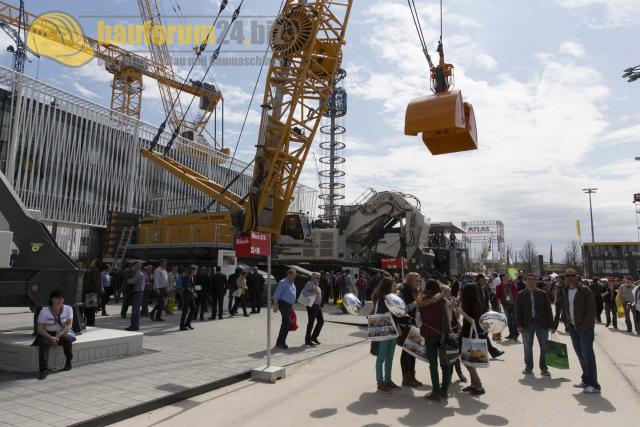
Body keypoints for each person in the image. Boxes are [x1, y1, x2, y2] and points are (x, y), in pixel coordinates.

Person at [553, 268, 600, 393]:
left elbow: (591, 311)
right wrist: (566, 322)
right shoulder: (566, 290)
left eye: (571, 275)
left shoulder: (585, 290)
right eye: (566, 275)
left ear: (576, 277)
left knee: (588, 356)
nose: (569, 277)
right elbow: (564, 307)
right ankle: (586, 380)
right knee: (580, 355)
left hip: (584, 329)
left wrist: (584, 325)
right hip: (573, 328)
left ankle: (594, 385)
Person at [417, 279, 453, 402]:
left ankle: (435, 391)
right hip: (444, 335)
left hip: (429, 335)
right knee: (445, 364)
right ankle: (444, 391)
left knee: (433, 364)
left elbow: (418, 320)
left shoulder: (422, 301)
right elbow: (449, 318)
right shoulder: (444, 301)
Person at [516, 273, 553, 376]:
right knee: (527, 347)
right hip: (527, 325)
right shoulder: (520, 294)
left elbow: (548, 310)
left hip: (542, 324)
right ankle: (529, 367)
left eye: (532, 279)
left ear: (535, 281)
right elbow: (518, 311)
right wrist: (519, 324)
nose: (530, 281)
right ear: (525, 281)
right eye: (528, 279)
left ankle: (544, 368)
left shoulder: (543, 293)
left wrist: (551, 324)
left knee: (544, 347)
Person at [35, 290, 74, 380]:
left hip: (61, 332)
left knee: (67, 340)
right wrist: (50, 337)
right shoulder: (44, 311)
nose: (60, 299)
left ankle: (68, 362)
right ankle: (44, 369)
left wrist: (57, 337)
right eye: (57, 298)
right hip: (46, 333)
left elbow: (69, 325)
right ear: (52, 299)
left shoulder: (68, 309)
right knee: (44, 344)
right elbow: (40, 329)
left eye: (62, 297)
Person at [459, 275, 485, 395]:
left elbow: (472, 320)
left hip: (469, 332)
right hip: (470, 331)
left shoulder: (471, 305)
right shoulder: (477, 302)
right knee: (468, 359)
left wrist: (460, 312)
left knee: (467, 359)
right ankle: (474, 383)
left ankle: (478, 385)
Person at [372, 277, 398, 393]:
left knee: (390, 357)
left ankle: (388, 380)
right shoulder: (381, 298)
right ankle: (380, 382)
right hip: (383, 327)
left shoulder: (393, 297)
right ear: (387, 286)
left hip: (392, 328)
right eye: (393, 285)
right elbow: (381, 312)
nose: (395, 287)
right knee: (381, 357)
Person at [397, 272, 422, 387]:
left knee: (413, 352)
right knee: (406, 352)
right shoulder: (401, 291)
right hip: (405, 325)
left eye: (419, 280)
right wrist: (414, 303)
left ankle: (412, 376)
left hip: (414, 325)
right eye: (416, 280)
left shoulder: (415, 291)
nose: (418, 283)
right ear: (409, 281)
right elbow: (401, 310)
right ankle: (406, 378)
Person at [273, 269, 297, 349]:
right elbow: (276, 294)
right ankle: (281, 342)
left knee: (285, 323)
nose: (295, 277)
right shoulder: (283, 282)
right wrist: (275, 305)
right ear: (289, 274)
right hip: (283, 304)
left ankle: (279, 342)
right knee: (287, 322)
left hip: (289, 305)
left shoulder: (292, 282)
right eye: (294, 275)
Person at [302, 272, 324, 346]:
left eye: (319, 277)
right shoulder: (309, 283)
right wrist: (315, 292)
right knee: (311, 323)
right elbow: (305, 293)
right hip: (312, 306)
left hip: (317, 306)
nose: (319, 279)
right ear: (312, 278)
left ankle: (314, 337)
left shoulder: (317, 285)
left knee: (321, 321)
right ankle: (307, 340)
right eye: (317, 277)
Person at [496, 273, 519, 341]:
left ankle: (515, 333)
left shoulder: (512, 284)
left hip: (513, 304)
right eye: (505, 277)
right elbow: (497, 295)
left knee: (515, 319)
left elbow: (516, 292)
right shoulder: (498, 286)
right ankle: (511, 334)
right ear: (502, 278)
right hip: (505, 304)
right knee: (509, 320)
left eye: (507, 277)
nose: (507, 277)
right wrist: (499, 300)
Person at [125, 262, 145, 331]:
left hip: (137, 293)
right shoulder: (142, 273)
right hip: (140, 293)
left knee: (135, 310)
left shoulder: (138, 273)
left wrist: (127, 280)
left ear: (137, 267)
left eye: (135, 266)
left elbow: (132, 281)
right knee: (137, 310)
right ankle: (135, 325)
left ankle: (134, 326)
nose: (133, 267)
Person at [82, 259, 101, 326]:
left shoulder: (95, 270)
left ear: (95, 263)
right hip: (91, 292)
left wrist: (89, 290)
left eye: (93, 261)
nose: (91, 262)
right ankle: (89, 323)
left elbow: (94, 282)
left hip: (91, 293)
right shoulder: (93, 270)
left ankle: (90, 323)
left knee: (90, 309)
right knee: (89, 309)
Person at [180, 265, 198, 331]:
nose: (196, 272)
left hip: (190, 295)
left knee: (193, 308)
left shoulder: (192, 277)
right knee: (185, 310)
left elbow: (191, 286)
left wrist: (194, 289)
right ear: (193, 270)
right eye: (196, 270)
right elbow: (187, 287)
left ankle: (187, 323)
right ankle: (181, 326)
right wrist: (193, 293)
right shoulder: (187, 277)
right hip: (186, 295)